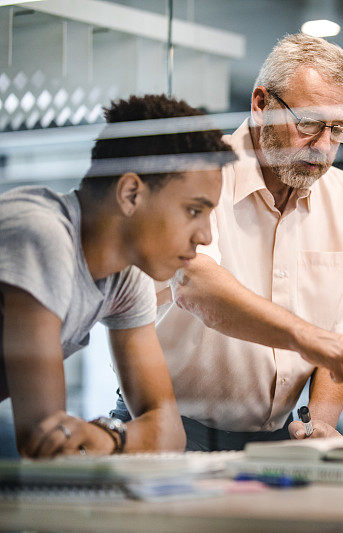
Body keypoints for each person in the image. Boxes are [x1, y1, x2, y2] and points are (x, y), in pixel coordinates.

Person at [111, 34, 343, 451]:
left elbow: (342, 330)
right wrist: (308, 337)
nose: (323, 146)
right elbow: (196, 284)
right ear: (260, 104)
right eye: (307, 123)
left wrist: (320, 422)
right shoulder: (200, 173)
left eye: (338, 129)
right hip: (170, 429)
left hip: (277, 439)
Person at [0, 94, 237, 457]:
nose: (205, 235)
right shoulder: (43, 233)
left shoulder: (125, 275)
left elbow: (170, 433)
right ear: (130, 194)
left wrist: (110, 438)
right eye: (193, 210)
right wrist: (107, 438)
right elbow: (44, 441)